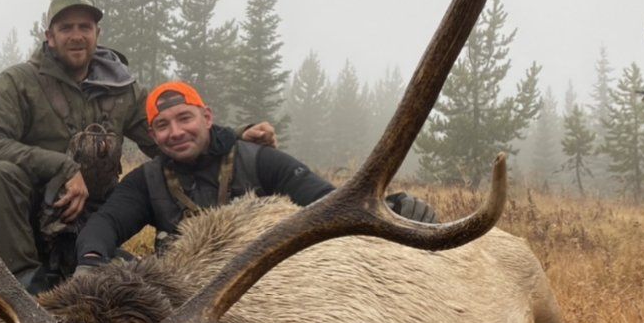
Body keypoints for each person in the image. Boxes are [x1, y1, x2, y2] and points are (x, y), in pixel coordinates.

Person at [0, 0, 275, 292]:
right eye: (66, 28)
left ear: (97, 34)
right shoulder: (18, 82)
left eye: (84, 27)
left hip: (90, 221)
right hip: (27, 216)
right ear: (49, 37)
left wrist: (235, 138)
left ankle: (79, 264)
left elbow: (169, 138)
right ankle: (22, 283)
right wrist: (62, 167)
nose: (76, 35)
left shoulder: (121, 88)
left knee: (127, 288)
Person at [74, 80, 437, 267]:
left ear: (207, 117)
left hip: (270, 294)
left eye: (185, 118)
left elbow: (327, 203)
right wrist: (91, 261)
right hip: (185, 299)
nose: (176, 132)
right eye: (163, 125)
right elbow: (104, 224)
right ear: (153, 136)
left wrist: (389, 206)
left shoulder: (259, 160)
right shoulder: (147, 181)